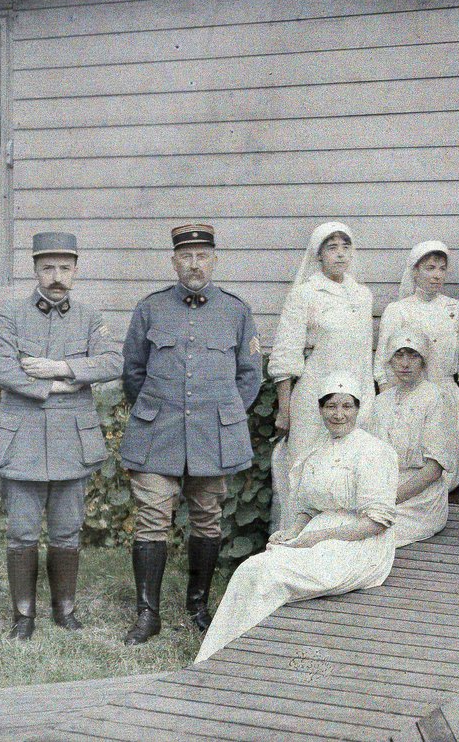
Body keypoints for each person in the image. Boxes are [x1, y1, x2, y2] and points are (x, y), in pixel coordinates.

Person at [121, 224, 262, 644]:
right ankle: (148, 614)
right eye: (186, 256)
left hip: (211, 434)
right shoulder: (150, 309)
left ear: (214, 260)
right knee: (151, 519)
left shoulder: (236, 311)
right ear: (174, 262)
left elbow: (250, 375)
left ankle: (198, 604)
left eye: (202, 255)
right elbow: (133, 372)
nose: (194, 264)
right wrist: (156, 409)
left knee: (207, 517)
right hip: (157, 432)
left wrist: (222, 414)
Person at [196, 371, 397, 662]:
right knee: (251, 570)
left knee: (268, 575)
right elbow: (308, 507)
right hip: (318, 535)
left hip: (360, 546)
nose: (338, 415)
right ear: (319, 409)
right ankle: (218, 657)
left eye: (346, 406)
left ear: (358, 409)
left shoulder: (372, 451)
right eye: (330, 406)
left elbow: (376, 522)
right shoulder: (317, 449)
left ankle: (233, 658)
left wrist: (318, 537)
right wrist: (294, 531)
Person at [0, 232, 122, 640]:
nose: (56, 276)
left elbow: (112, 362)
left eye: (65, 268)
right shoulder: (8, 315)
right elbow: (1, 367)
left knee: (67, 529)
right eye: (47, 267)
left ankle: (64, 611)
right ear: (34, 270)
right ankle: (23, 616)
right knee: (22, 532)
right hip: (22, 437)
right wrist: (59, 387)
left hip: (72, 438)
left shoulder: (89, 316)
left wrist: (58, 369)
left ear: (76, 270)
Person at [268, 221, 374, 529]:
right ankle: (293, 538)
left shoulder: (362, 295)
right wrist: (285, 411)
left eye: (345, 247)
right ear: (318, 255)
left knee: (346, 471)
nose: (340, 255)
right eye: (332, 248)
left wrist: (368, 397)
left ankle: (336, 542)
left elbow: (364, 352)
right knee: (303, 468)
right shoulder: (305, 294)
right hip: (313, 398)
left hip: (353, 395)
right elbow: (287, 354)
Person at [374, 239, 459, 490]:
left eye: (442, 269)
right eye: (430, 268)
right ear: (415, 271)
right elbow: (383, 365)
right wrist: (392, 406)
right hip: (407, 395)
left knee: (444, 473)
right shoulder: (398, 310)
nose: (437, 275)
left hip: (446, 394)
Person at [364, 332, 458, 545]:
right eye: (399, 355)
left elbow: (433, 470)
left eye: (413, 355)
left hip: (420, 501)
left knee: (367, 537)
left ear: (424, 359)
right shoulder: (381, 401)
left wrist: (387, 500)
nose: (405, 363)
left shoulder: (436, 398)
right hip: (382, 490)